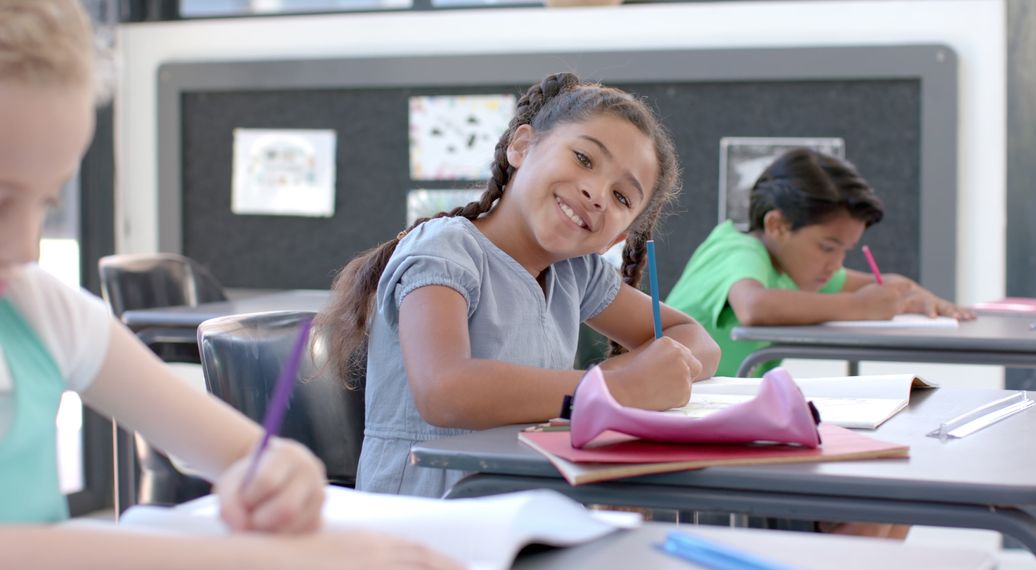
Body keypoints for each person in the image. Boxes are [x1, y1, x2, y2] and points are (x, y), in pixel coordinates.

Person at [0, 2, 459, 568]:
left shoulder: (40, 311)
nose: (24, 247)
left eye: (47, 202)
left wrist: (273, 472)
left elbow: (239, 450)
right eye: (0, 201)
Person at [318, 72, 722, 498]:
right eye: (584, 159)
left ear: (618, 238)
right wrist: (616, 388)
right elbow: (444, 391)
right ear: (522, 146)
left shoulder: (576, 272)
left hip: (520, 504)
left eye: (623, 198)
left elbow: (696, 341)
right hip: (425, 514)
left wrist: (648, 376)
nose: (597, 193)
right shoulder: (446, 250)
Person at [667, 148, 975, 378]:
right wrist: (862, 307)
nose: (835, 264)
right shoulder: (736, 248)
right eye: (828, 247)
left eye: (845, 250)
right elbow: (755, 307)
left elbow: (880, 284)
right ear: (777, 226)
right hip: (669, 411)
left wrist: (912, 294)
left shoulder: (791, 268)